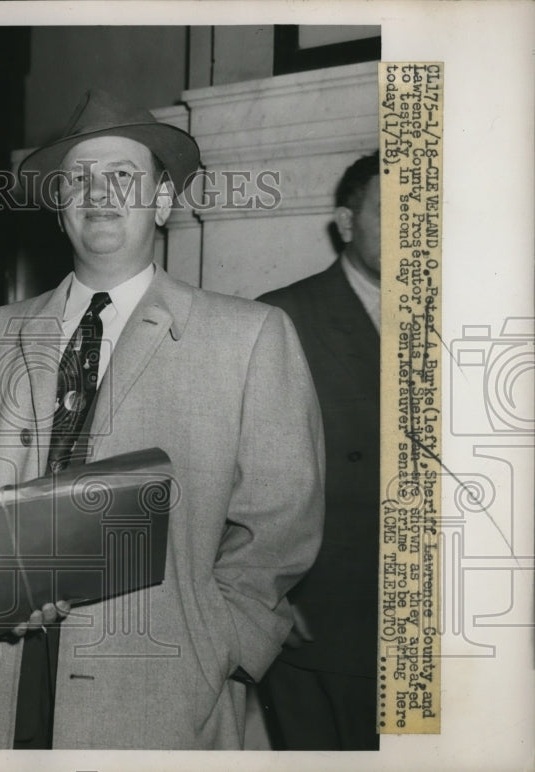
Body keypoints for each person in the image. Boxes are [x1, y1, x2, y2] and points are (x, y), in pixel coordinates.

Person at [0, 89, 325, 749]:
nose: (98, 193)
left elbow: (281, 528)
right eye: (78, 180)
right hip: (0, 681)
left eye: (122, 175)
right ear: (59, 208)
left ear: (161, 201)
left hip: (161, 688)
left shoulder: (248, 336)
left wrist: (220, 643)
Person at [256, 151, 381, 750]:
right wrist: (266, 592)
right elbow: (240, 471)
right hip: (321, 618)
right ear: (347, 221)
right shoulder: (282, 317)